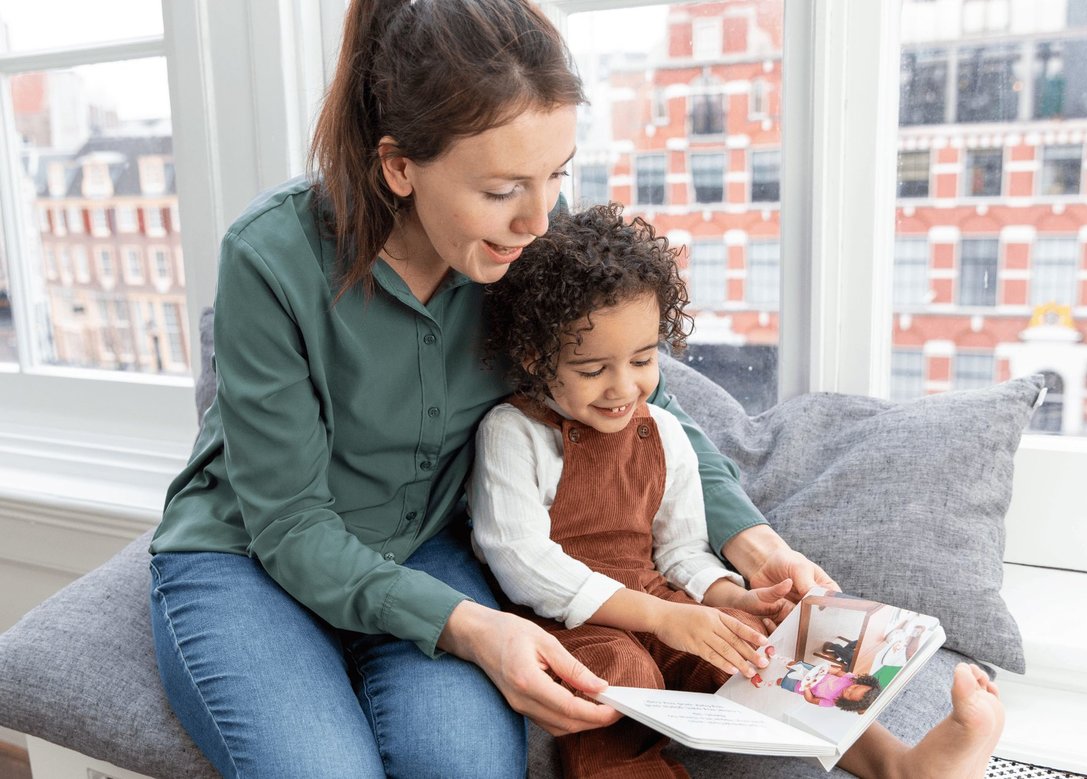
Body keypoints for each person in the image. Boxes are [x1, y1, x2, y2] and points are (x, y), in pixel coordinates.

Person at [146, 0, 1000, 777]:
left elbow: (641, 410)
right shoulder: (271, 256)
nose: (537, 216)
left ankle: (894, 765)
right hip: (249, 557)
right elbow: (291, 524)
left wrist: (752, 540)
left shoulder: (526, 247)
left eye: (555, 175)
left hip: (425, 545)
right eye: (500, 189)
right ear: (399, 166)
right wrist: (479, 625)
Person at [470, 204, 1005, 778]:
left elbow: (679, 551)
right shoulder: (513, 432)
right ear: (535, 357)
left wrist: (730, 599)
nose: (624, 386)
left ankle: (896, 764)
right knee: (622, 678)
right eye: (593, 368)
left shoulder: (665, 431)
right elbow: (522, 561)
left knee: (761, 653)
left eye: (643, 359)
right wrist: (660, 617)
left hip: (662, 603)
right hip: (569, 623)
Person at [781, 661, 881, 712]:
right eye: (855, 687)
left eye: (850, 694)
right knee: (792, 665)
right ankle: (779, 659)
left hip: (799, 686)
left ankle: (778, 681)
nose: (849, 689)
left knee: (782, 681)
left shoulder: (832, 702)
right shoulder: (851, 679)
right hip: (812, 672)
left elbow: (811, 699)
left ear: (849, 703)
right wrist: (828, 668)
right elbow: (837, 671)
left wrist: (806, 687)